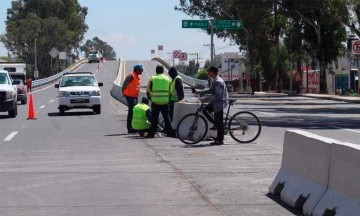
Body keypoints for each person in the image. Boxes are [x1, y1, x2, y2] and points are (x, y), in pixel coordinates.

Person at [198, 66, 229, 145]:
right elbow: (211, 90)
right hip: (216, 102)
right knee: (205, 110)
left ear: (212, 72)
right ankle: (215, 124)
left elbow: (217, 95)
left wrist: (205, 99)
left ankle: (220, 140)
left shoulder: (218, 81)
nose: (208, 73)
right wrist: (201, 92)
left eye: (209, 72)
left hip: (219, 103)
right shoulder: (214, 80)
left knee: (219, 122)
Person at [146, 65, 175, 138]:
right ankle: (170, 133)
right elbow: (170, 92)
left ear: (156, 70)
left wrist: (151, 99)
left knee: (154, 118)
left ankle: (151, 134)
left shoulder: (152, 78)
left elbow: (148, 91)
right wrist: (167, 99)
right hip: (165, 101)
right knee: (166, 118)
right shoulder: (168, 79)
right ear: (163, 71)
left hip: (155, 101)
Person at [122, 64, 143, 133]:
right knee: (131, 112)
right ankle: (130, 128)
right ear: (136, 70)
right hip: (129, 96)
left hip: (135, 96)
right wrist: (123, 92)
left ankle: (133, 127)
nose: (141, 71)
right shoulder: (131, 75)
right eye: (140, 70)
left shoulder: (138, 76)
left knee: (134, 112)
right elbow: (124, 84)